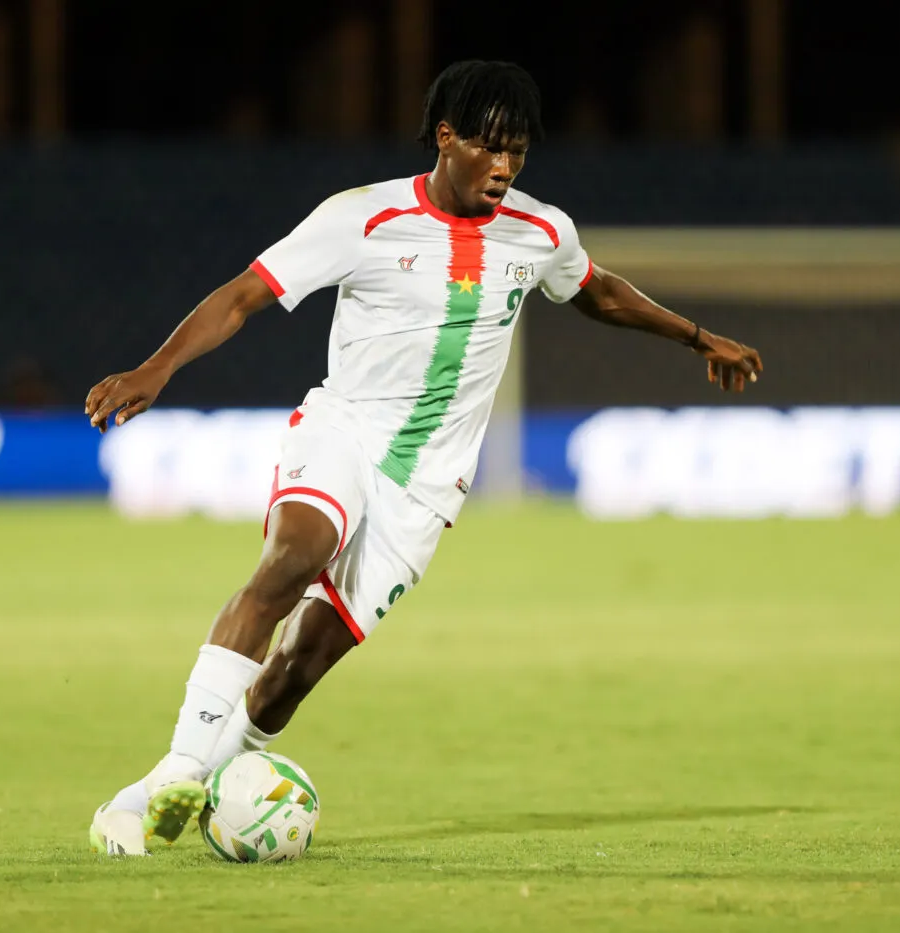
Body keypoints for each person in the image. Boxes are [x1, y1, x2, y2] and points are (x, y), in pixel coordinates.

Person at [84, 60, 763, 856]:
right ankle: (177, 765)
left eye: (519, 152)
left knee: (300, 666)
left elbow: (598, 291)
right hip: (343, 430)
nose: (505, 167)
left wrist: (694, 336)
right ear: (448, 138)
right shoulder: (362, 217)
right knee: (293, 558)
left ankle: (173, 790)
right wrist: (156, 366)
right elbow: (244, 295)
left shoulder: (541, 232)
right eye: (490, 147)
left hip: (429, 483)